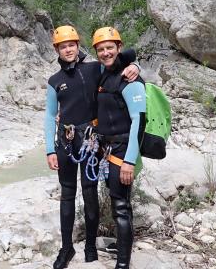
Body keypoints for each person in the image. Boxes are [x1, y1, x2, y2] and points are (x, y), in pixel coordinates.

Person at [45, 25, 140, 269]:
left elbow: (122, 56)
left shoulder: (95, 68)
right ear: (57, 49)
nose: (67, 49)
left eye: (71, 45)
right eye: (62, 46)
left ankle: (89, 246)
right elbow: (49, 115)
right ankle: (66, 248)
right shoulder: (54, 81)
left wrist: (135, 66)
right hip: (65, 140)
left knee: (89, 193)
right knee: (67, 194)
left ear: (78, 46)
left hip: (90, 139)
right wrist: (49, 149)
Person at [92, 27, 147, 269]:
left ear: (118, 47)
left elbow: (139, 120)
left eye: (109, 48)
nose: (105, 53)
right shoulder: (105, 74)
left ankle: (123, 264)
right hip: (107, 148)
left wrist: (130, 160)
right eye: (101, 49)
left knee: (121, 207)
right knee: (119, 202)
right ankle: (123, 247)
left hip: (123, 150)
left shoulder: (130, 79)